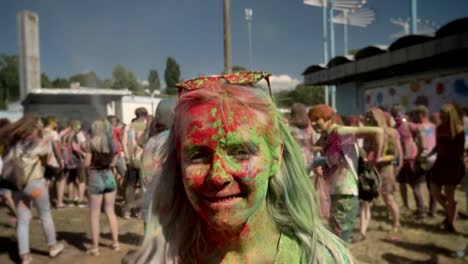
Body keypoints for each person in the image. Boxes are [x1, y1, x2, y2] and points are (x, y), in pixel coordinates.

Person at [126, 72, 353, 263]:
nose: (218, 176)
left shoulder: (319, 258)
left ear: (276, 157)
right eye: (197, 155)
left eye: (241, 151)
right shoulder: (164, 259)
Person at [308, 104, 383, 244]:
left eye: (317, 119)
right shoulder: (329, 136)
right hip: (337, 193)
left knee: (339, 241)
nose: (313, 123)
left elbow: (378, 131)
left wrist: (375, 158)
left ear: (328, 119)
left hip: (346, 194)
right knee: (335, 238)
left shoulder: (341, 131)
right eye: (311, 120)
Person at [0, 115, 64, 264]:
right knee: (45, 215)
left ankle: (25, 256)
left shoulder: (12, 144)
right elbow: (46, 160)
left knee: (22, 220)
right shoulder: (37, 142)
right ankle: (53, 246)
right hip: (35, 185)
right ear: (34, 128)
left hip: (17, 187)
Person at [354, 108, 403, 243]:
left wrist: (379, 159)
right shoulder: (368, 133)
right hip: (369, 170)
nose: (368, 120)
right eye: (367, 117)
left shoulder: (391, 132)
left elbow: (394, 155)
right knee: (365, 202)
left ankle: (396, 222)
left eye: (371, 118)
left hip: (385, 170)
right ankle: (362, 232)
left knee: (388, 198)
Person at [428, 104, 465, 232]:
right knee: (434, 190)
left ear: (451, 114)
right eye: (441, 113)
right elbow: (438, 146)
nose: (442, 115)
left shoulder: (459, 130)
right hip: (440, 163)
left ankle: (450, 223)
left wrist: (461, 163)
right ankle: (452, 210)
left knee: (450, 194)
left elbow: (460, 151)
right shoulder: (439, 128)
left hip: (453, 164)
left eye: (444, 113)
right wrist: (429, 154)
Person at [86, 119, 120, 255]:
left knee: (95, 214)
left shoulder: (90, 143)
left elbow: (87, 163)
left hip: (95, 177)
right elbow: (113, 163)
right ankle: (116, 243)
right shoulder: (113, 144)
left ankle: (95, 248)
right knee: (110, 211)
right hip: (109, 177)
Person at [391, 106, 423, 216]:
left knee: (414, 185)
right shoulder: (394, 128)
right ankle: (405, 205)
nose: (396, 117)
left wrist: (419, 146)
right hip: (401, 160)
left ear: (403, 115)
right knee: (402, 184)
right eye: (394, 115)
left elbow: (420, 131)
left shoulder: (409, 125)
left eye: (398, 114)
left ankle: (420, 209)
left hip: (411, 158)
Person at [122, 107, 148, 219]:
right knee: (142, 186)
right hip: (142, 159)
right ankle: (138, 211)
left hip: (131, 160)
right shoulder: (142, 125)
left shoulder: (128, 126)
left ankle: (127, 211)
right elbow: (140, 141)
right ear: (144, 115)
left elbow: (123, 143)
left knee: (130, 186)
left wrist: (127, 156)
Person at [414, 106, 437, 218]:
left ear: (421, 114)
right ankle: (432, 211)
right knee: (432, 185)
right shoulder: (434, 127)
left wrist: (416, 157)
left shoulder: (420, 127)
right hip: (434, 157)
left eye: (416, 115)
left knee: (416, 185)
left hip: (423, 157)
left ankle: (421, 209)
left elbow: (422, 145)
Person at [42, 116, 66, 208]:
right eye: (56, 122)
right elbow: (56, 147)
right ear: (52, 122)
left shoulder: (42, 132)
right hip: (54, 160)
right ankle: (59, 203)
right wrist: (61, 159)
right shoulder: (54, 133)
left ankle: (45, 202)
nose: (57, 123)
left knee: (47, 181)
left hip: (45, 160)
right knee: (61, 180)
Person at [289, 103, 315, 171]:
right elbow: (313, 142)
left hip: (293, 158)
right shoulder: (309, 127)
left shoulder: (288, 129)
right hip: (308, 157)